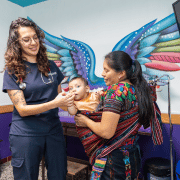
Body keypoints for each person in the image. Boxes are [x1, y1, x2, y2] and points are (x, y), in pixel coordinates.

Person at [2, 17, 75, 180]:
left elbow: (59, 96)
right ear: (17, 43)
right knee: (26, 176)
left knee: (59, 173)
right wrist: (55, 103)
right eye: (26, 39)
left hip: (53, 130)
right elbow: (22, 110)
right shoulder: (13, 70)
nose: (33, 42)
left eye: (35, 37)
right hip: (26, 133)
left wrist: (70, 99)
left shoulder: (51, 65)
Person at [74, 51, 163, 180]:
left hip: (113, 160)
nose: (102, 74)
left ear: (121, 73)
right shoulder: (137, 89)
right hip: (132, 155)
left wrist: (85, 121)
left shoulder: (116, 91)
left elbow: (106, 132)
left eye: (106, 70)